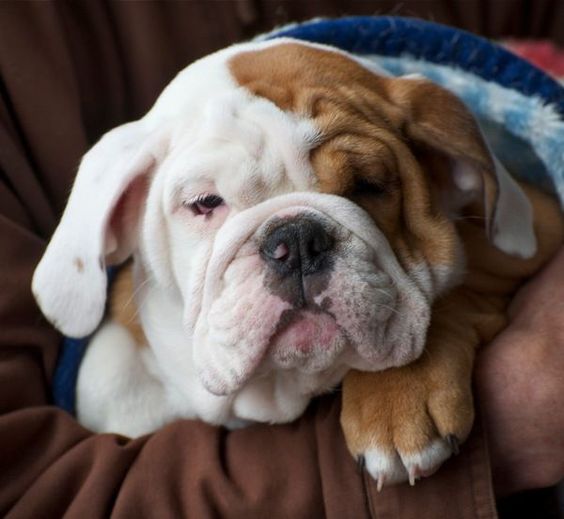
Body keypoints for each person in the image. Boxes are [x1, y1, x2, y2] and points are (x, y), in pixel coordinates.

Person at [0, 3, 562, 517]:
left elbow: (528, 235)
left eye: (362, 184)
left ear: (451, 168)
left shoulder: (416, 139)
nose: (293, 257)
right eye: (206, 204)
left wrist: (447, 332)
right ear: (122, 207)